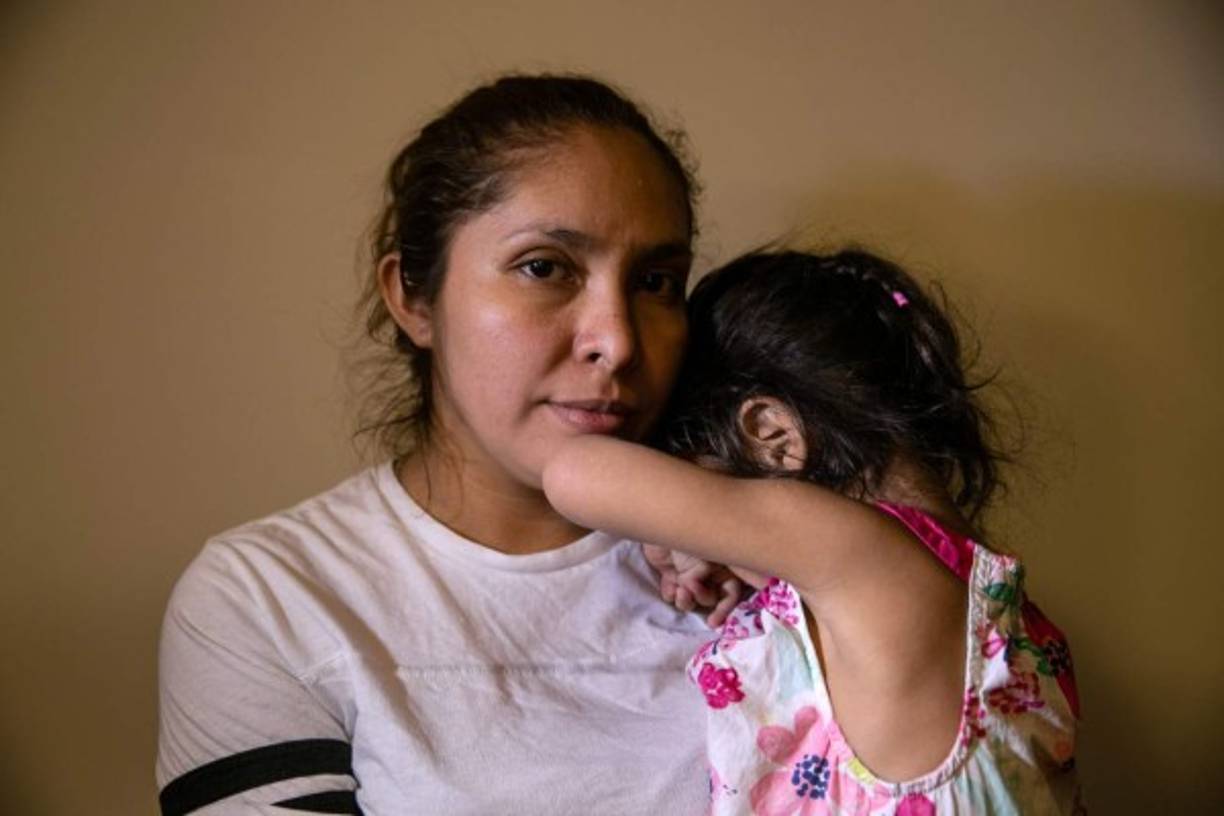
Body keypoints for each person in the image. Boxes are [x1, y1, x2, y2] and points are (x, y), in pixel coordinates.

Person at [155, 74, 738, 815]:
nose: (617, 341)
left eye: (655, 282)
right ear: (413, 297)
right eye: (544, 267)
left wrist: (762, 534)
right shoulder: (270, 597)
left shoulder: (744, 562)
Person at [544, 250, 1083, 814]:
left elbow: (571, 472)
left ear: (772, 435)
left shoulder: (863, 556)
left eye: (693, 473)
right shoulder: (985, 610)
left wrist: (677, 532)